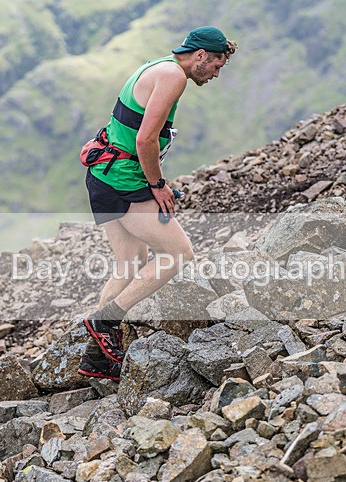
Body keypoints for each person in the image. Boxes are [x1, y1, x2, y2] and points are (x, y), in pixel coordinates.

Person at [78, 26, 237, 381]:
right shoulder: (172, 77)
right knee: (179, 254)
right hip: (123, 180)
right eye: (216, 65)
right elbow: (145, 139)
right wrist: (158, 185)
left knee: (130, 262)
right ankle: (105, 321)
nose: (216, 73)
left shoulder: (158, 66)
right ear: (200, 56)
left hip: (101, 176)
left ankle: (97, 357)